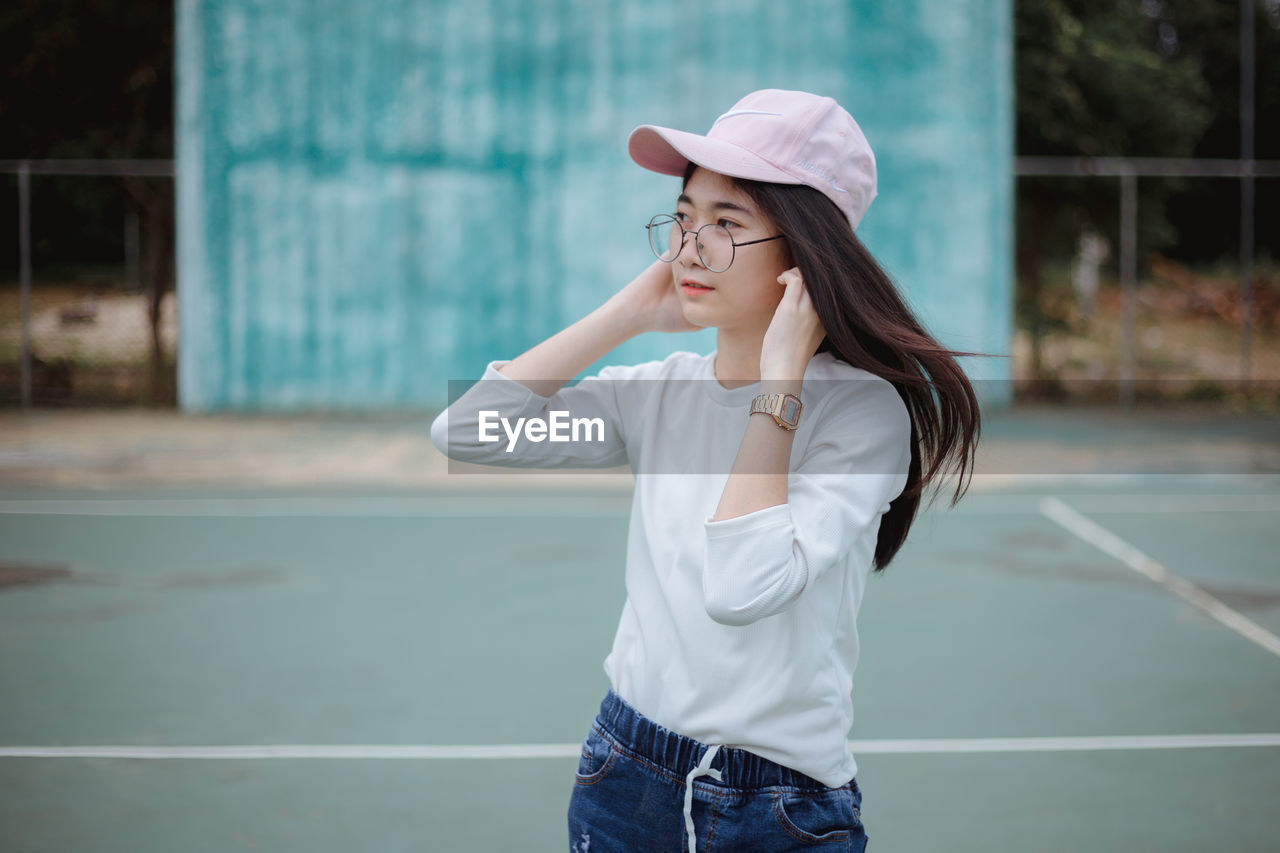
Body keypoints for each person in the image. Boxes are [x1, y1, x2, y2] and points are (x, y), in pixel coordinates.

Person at [430, 89, 990, 852]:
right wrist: (627, 311)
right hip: (624, 775)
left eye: (727, 224)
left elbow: (740, 587)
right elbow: (467, 429)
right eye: (684, 217)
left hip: (779, 806)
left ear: (804, 253)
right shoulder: (659, 393)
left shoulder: (862, 417)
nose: (690, 247)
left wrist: (781, 380)